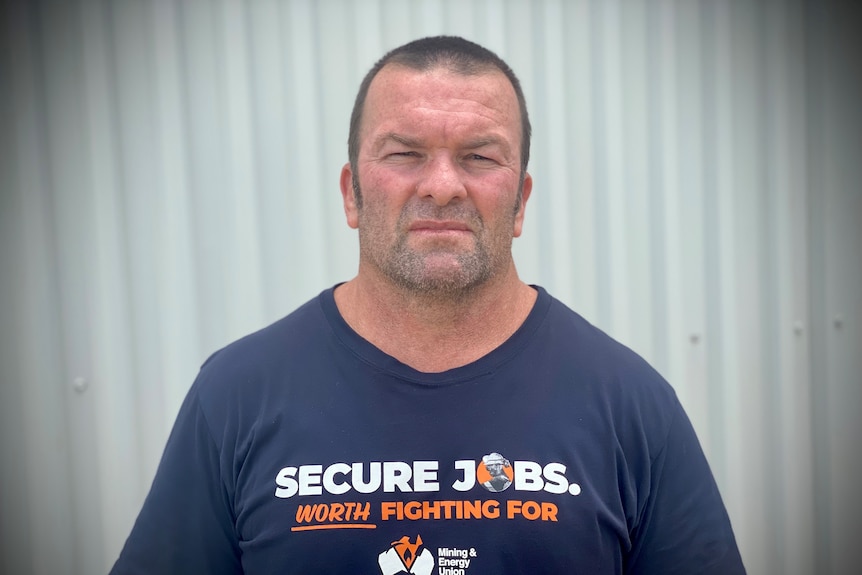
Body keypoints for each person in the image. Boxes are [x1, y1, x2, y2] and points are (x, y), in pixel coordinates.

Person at [110, 36, 745, 574]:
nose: (442, 186)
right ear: (352, 194)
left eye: (479, 156)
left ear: (520, 201)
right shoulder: (236, 396)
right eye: (405, 153)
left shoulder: (629, 403)